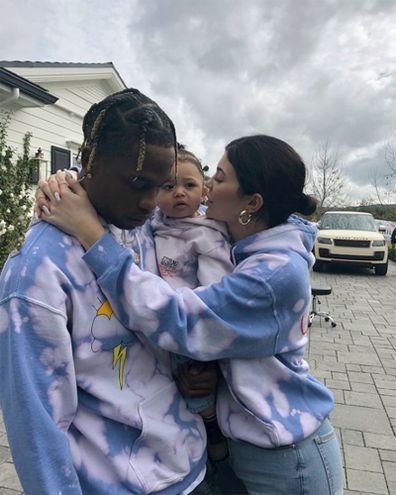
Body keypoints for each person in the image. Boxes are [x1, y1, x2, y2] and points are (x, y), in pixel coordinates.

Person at [37, 134, 344, 495]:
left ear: (251, 203)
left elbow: (177, 318)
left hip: (287, 458)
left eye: (221, 178)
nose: (208, 185)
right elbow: (140, 180)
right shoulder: (238, 235)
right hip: (245, 445)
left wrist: (92, 236)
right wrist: (67, 181)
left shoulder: (275, 275)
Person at [0, 88, 214, 495]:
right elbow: (37, 427)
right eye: (137, 183)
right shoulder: (37, 272)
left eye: (160, 185)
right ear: (91, 162)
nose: (152, 201)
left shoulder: (141, 227)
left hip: (192, 470)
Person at [153, 143, 233, 462]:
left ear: (204, 191)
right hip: (159, 323)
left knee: (198, 378)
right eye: (168, 186)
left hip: (192, 321)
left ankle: (212, 427)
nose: (179, 193)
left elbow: (217, 287)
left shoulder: (208, 234)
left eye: (189, 185)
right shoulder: (152, 225)